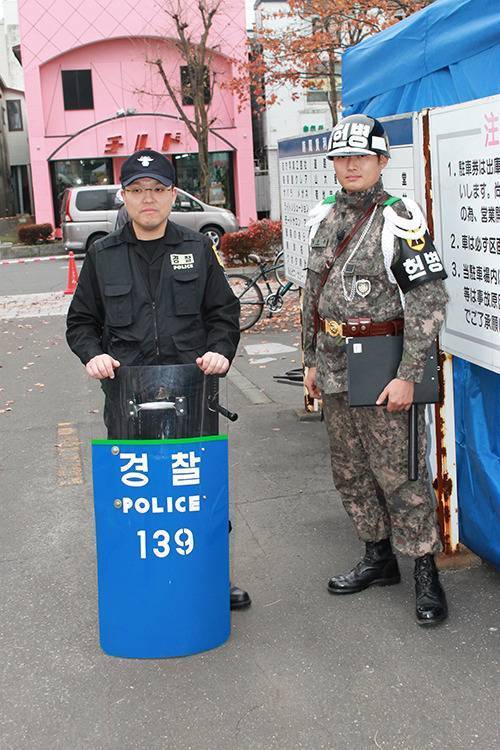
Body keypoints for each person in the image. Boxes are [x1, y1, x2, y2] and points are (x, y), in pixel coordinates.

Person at [66, 148, 250, 611]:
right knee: (137, 496)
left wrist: (221, 352)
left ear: (172, 195)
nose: (148, 199)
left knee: (198, 490)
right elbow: (81, 323)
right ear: (123, 198)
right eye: (137, 190)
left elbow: (224, 314)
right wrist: (94, 356)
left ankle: (211, 577)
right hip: (128, 396)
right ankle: (141, 578)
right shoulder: (102, 256)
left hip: (193, 392)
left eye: (158, 190)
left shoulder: (196, 249)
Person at [302, 115, 449, 626]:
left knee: (401, 473)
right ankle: (378, 556)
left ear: (382, 162)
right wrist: (309, 361)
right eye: (342, 158)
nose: (350, 166)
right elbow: (311, 296)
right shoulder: (322, 216)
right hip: (336, 365)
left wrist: (409, 373)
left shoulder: (399, 217)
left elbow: (428, 299)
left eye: (361, 157)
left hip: (384, 366)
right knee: (350, 470)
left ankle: (426, 569)